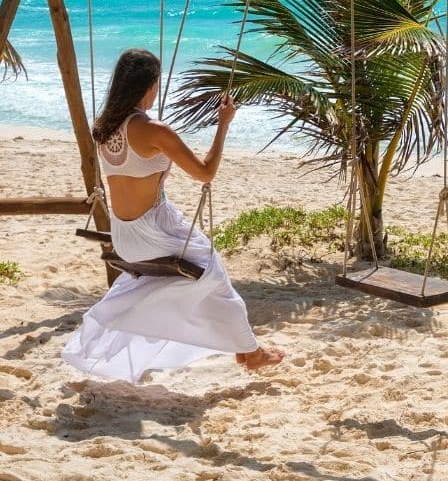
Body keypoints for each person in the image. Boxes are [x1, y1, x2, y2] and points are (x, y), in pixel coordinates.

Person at [61, 48, 284, 383]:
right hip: (154, 232)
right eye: (157, 83)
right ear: (148, 85)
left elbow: (136, 174)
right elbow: (206, 173)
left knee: (187, 281)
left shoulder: (104, 128)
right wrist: (224, 125)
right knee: (213, 275)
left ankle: (244, 345)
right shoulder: (154, 130)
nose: (157, 90)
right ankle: (250, 352)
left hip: (125, 236)